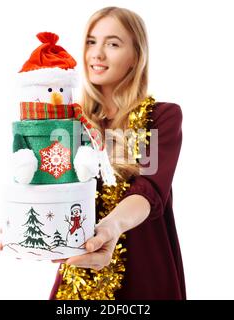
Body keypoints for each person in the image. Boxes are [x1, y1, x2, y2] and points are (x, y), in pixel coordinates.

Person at [49, 6, 186, 300]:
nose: (97, 54)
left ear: (136, 56)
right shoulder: (72, 124)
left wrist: (111, 227)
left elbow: (149, 188)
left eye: (112, 43)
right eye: (91, 42)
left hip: (146, 267)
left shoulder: (161, 117)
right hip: (81, 269)